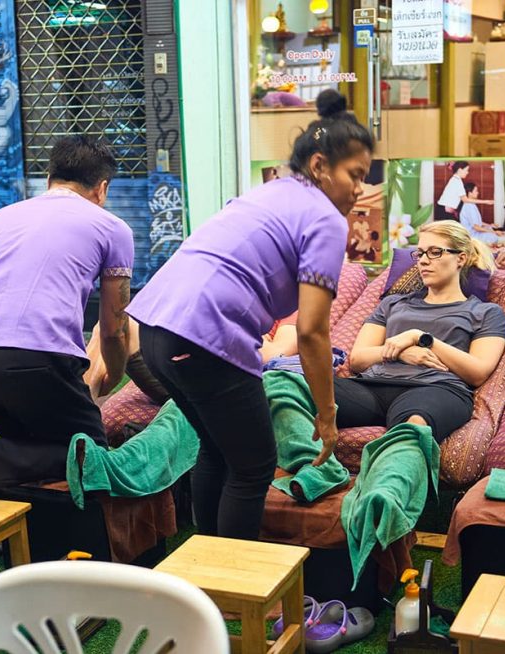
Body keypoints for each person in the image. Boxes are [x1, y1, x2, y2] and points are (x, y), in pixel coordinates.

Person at [126, 89, 373, 540]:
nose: (359, 189)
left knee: (218, 450)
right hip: (203, 336)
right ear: (319, 166)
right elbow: (314, 331)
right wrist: (326, 412)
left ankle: (207, 571)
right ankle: (232, 586)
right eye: (354, 175)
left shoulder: (271, 192)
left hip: (156, 329)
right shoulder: (326, 219)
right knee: (255, 463)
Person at [0, 136, 134, 512]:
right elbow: (113, 327)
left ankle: (7, 510)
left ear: (49, 178)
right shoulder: (112, 228)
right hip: (36, 355)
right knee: (88, 450)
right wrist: (114, 373)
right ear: (102, 188)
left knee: (31, 444)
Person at [335, 221, 505, 443]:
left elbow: (478, 372)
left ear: (461, 258)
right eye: (421, 253)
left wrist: (420, 338)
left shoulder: (485, 312)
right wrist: (400, 352)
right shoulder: (392, 304)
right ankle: (312, 467)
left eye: (435, 252)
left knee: (413, 427)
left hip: (435, 390)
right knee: (285, 386)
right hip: (371, 386)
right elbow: (358, 359)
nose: (424, 260)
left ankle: (391, 478)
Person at [84, 313, 300, 405]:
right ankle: (83, 405)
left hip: (225, 381)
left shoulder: (292, 305)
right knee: (113, 323)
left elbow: (278, 355)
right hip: (181, 362)